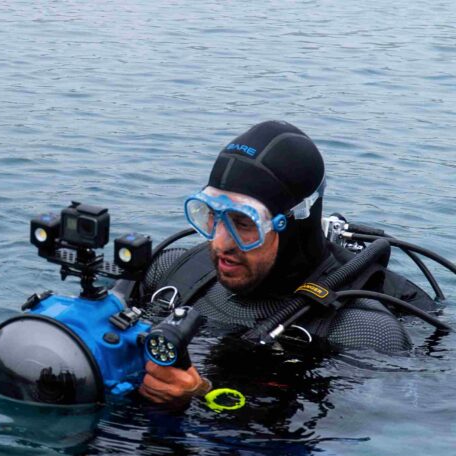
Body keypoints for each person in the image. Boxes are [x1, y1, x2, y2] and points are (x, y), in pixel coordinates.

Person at [137, 120, 434, 405]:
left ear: (292, 226)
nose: (220, 243)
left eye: (244, 223)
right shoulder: (171, 273)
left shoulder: (364, 333)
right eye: (213, 216)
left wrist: (203, 394)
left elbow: (351, 444)